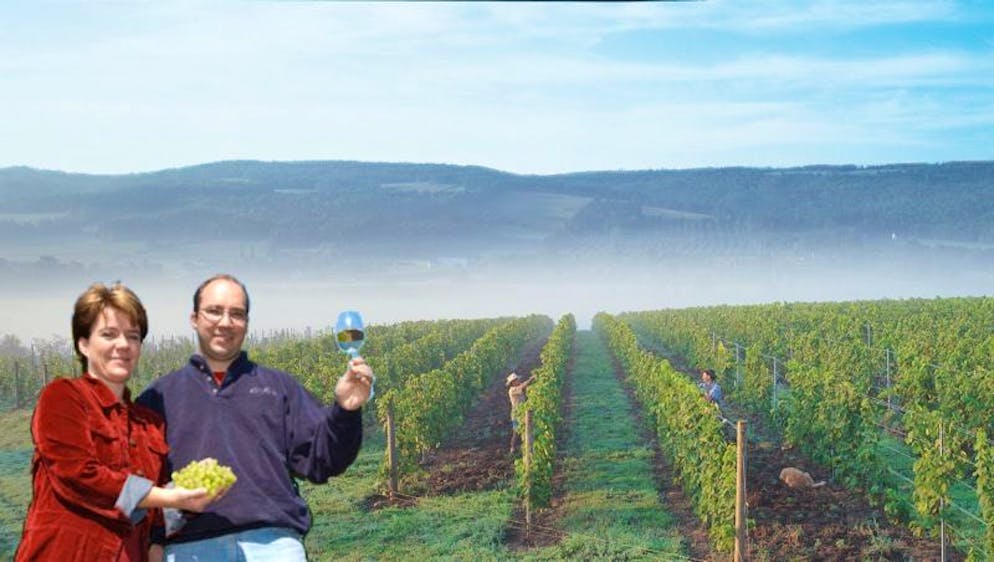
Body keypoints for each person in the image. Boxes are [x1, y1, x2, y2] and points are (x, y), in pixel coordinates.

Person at [136, 273, 373, 562]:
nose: (225, 322)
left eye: (236, 314)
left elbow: (322, 460)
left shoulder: (279, 388)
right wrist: (153, 541)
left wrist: (345, 411)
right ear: (194, 318)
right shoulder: (159, 397)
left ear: (246, 323)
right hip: (190, 549)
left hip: (273, 545)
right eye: (214, 311)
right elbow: (138, 482)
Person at [16, 282, 216, 562]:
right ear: (83, 344)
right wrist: (171, 498)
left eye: (132, 336)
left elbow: (151, 511)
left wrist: (189, 489)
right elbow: (78, 476)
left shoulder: (150, 423)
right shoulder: (64, 397)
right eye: (109, 334)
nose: (123, 345)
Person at [506, 372, 535, 454]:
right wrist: (531, 379)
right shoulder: (512, 390)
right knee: (516, 432)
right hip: (516, 413)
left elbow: (523, 386)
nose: (519, 380)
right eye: (517, 380)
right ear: (513, 382)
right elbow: (523, 386)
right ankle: (512, 448)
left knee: (525, 429)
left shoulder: (517, 388)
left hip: (522, 411)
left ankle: (525, 447)